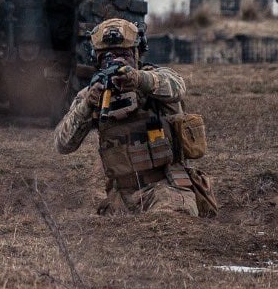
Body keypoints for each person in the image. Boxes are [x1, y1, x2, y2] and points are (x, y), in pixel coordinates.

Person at [54, 18, 217, 216]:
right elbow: (63, 145)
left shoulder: (155, 79)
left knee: (169, 223)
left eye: (123, 55)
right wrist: (87, 105)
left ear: (137, 54)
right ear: (95, 59)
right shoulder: (92, 94)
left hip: (165, 188)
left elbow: (177, 87)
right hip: (121, 196)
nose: (115, 61)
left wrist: (139, 80)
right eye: (107, 57)